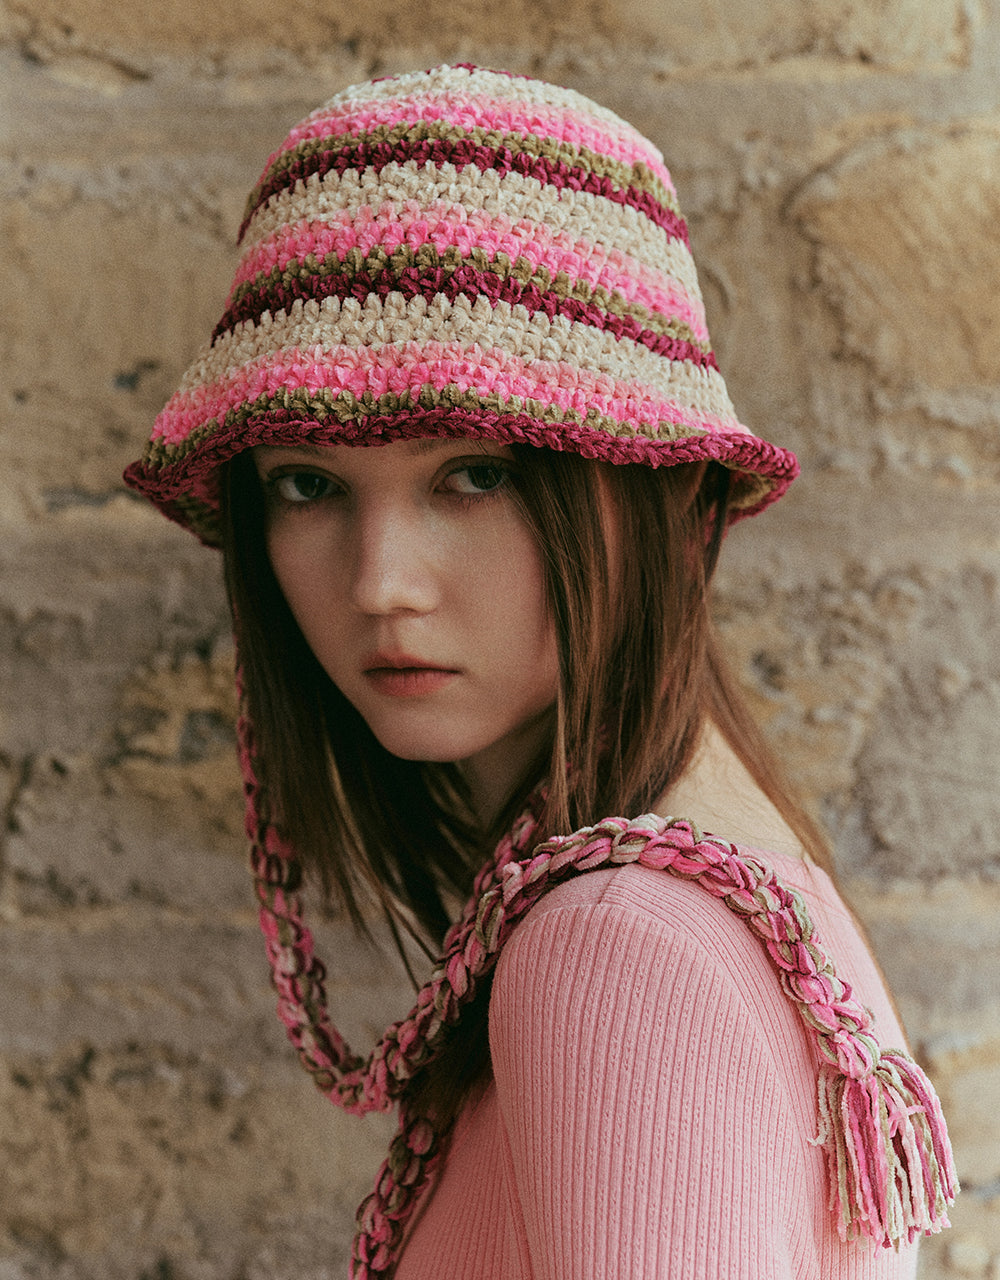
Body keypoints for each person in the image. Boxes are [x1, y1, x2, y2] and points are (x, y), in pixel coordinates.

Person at [125, 64, 956, 1279]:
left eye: (476, 473)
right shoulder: (723, 888)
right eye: (307, 483)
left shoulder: (617, 945)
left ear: (663, 491)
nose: (380, 581)